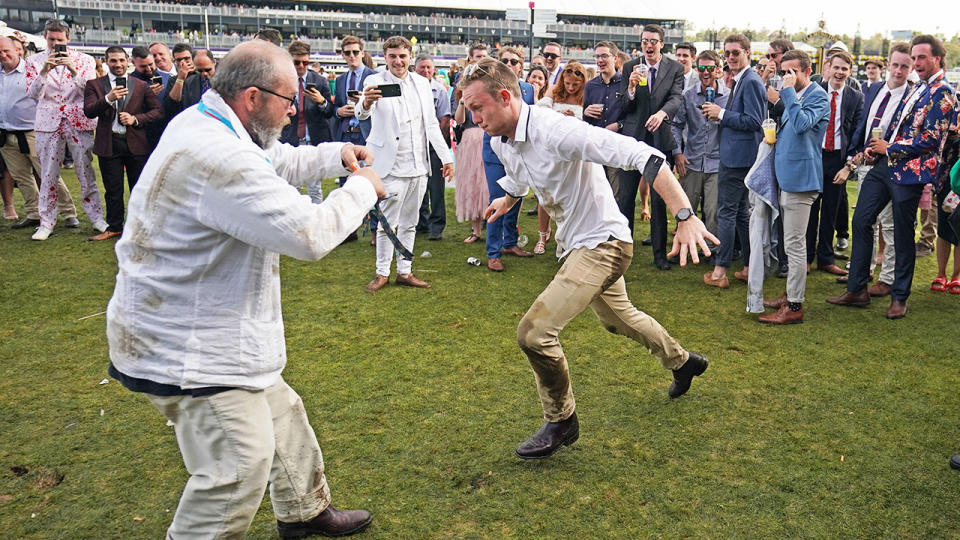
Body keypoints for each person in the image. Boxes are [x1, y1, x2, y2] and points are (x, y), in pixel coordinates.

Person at [106, 40, 382, 539]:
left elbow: (273, 159)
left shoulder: (209, 123)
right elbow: (309, 235)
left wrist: (337, 156)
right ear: (253, 97)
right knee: (236, 468)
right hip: (189, 347)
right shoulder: (217, 153)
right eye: (287, 97)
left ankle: (303, 512)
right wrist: (362, 187)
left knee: (283, 412)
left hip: (199, 329)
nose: (294, 108)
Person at [460, 57, 715, 459]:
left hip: (605, 242)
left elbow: (644, 156)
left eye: (477, 107)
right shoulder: (500, 139)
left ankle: (561, 420)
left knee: (534, 333)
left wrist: (684, 215)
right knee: (618, 318)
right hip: (577, 245)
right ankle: (682, 362)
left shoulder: (557, 129)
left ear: (505, 97)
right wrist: (508, 196)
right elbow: (523, 172)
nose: (471, 117)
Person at [828, 35, 958, 319]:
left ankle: (900, 297)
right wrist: (875, 150)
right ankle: (857, 289)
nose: (916, 62)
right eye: (915, 57)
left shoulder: (944, 92)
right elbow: (898, 127)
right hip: (884, 165)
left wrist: (891, 148)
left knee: (901, 235)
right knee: (861, 220)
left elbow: (931, 139)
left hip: (910, 174)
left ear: (937, 58)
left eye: (921, 57)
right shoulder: (917, 89)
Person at [356, 36, 454, 292]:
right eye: (392, 56)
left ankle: (405, 271)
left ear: (411, 57)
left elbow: (432, 125)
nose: (398, 61)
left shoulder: (423, 83)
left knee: (410, 222)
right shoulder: (374, 81)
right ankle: (381, 272)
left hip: (418, 165)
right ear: (385, 58)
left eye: (402, 56)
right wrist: (366, 103)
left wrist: (446, 157)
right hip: (390, 165)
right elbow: (361, 112)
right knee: (388, 222)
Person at [833, 42, 914, 298]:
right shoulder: (876, 89)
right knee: (863, 221)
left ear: (911, 68)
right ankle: (860, 277)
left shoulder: (912, 97)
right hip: (868, 163)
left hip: (894, 168)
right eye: (895, 64)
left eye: (905, 66)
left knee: (889, 226)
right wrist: (857, 154)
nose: (899, 70)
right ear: (887, 64)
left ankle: (887, 279)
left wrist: (887, 148)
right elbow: (864, 125)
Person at [755, 50, 830, 324]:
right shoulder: (796, 96)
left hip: (802, 180)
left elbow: (801, 126)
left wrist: (786, 94)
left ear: (806, 71)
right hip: (786, 177)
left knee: (796, 246)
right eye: (783, 71)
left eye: (791, 72)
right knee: (789, 243)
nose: (785, 76)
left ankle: (795, 307)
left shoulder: (818, 96)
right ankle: (790, 295)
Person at [25, 19, 107, 240]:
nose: (55, 44)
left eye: (59, 40)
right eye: (51, 39)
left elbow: (90, 89)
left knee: (85, 171)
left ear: (68, 39)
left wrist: (72, 68)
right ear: (45, 37)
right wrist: (44, 71)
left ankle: (96, 218)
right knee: (48, 174)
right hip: (48, 123)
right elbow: (32, 94)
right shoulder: (33, 61)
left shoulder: (85, 60)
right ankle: (46, 222)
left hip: (78, 120)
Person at [701, 34, 766, 288]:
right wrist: (721, 116)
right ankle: (749, 267)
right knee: (740, 214)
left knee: (726, 212)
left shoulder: (750, 81)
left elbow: (754, 121)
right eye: (727, 53)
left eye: (735, 53)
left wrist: (722, 114)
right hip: (738, 155)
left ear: (747, 53)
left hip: (738, 158)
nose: (730, 57)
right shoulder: (743, 80)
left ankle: (720, 271)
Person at [620, 24, 685, 271]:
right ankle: (622, 253)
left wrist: (662, 114)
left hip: (659, 141)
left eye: (653, 41)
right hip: (632, 141)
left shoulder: (675, 68)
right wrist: (631, 88)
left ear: (662, 44)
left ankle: (660, 256)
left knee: (659, 202)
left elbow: (677, 98)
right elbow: (625, 106)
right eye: (645, 41)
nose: (648, 45)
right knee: (625, 199)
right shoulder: (630, 67)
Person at [82, 45, 163, 241]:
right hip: (109, 143)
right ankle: (114, 227)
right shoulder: (94, 84)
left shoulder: (140, 85)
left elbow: (158, 111)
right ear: (106, 61)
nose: (118, 64)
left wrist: (136, 119)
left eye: (121, 60)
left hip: (136, 143)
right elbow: (89, 111)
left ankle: (139, 226)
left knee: (138, 188)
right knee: (113, 189)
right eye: (113, 61)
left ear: (128, 61)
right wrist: (108, 99)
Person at [0, 35, 77, 231]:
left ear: (17, 50)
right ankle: (34, 213)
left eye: (5, 50)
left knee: (49, 174)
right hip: (7, 133)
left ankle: (68, 212)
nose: (2, 55)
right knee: (21, 176)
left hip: (34, 132)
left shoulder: (32, 70)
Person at [807, 51, 864, 276]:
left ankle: (826, 258)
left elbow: (857, 134)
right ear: (827, 67)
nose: (840, 72)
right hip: (813, 156)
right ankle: (806, 258)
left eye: (845, 69)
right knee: (810, 210)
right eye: (836, 67)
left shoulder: (855, 97)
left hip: (837, 159)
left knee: (831, 211)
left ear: (849, 72)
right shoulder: (814, 91)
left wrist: (848, 166)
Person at [481, 46, 535, 271]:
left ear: (521, 67)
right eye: (505, 61)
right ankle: (493, 252)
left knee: (517, 195)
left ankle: (510, 243)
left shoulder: (528, 89)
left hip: (519, 150)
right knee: (497, 198)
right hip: (495, 149)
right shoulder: (487, 88)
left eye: (514, 61)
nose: (510, 64)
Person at [671, 50, 728, 257]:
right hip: (691, 160)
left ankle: (711, 250)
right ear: (696, 69)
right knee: (685, 209)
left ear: (718, 69)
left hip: (717, 161)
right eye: (701, 68)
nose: (705, 73)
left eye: (710, 68)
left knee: (713, 211)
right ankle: (682, 248)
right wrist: (677, 153)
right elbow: (676, 125)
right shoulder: (688, 95)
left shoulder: (728, 96)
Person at [333, 35, 376, 243]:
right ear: (343, 55)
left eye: (355, 52)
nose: (351, 56)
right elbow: (335, 108)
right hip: (346, 136)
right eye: (347, 53)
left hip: (367, 136)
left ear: (362, 53)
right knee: (346, 184)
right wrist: (339, 111)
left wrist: (364, 104)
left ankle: (376, 230)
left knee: (371, 182)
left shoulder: (374, 77)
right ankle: (349, 230)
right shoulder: (340, 80)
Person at [281, 40, 335, 204]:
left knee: (314, 189)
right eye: (297, 62)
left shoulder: (319, 80)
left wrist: (321, 101)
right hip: (291, 139)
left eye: (305, 62)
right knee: (291, 188)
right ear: (290, 60)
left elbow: (329, 112)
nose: (301, 66)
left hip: (314, 140)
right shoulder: (282, 79)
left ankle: (317, 225)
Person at [453, 45, 492, 248]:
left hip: (490, 136)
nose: (480, 60)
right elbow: (458, 120)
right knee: (472, 185)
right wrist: (462, 100)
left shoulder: (492, 82)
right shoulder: (460, 85)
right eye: (477, 57)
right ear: (470, 59)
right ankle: (476, 230)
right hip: (469, 140)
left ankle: (494, 228)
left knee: (490, 184)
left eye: (484, 57)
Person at [414, 54, 453, 241]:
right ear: (415, 69)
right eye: (422, 67)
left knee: (436, 187)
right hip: (414, 143)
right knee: (417, 185)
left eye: (429, 67)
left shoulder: (440, 90)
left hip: (433, 143)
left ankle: (436, 225)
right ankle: (421, 221)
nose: (426, 71)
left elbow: (445, 120)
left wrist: (440, 146)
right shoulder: (409, 89)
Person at [128, 45, 169, 152]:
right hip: (141, 136)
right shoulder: (129, 82)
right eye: (143, 66)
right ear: (133, 63)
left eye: (151, 64)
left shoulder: (167, 78)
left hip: (165, 133)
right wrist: (145, 97)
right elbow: (127, 111)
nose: (148, 69)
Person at [164, 48, 215, 118]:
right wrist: (180, 79)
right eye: (200, 71)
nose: (204, 74)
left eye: (208, 70)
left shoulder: (226, 81)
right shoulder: (189, 82)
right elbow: (171, 107)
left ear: (214, 62)